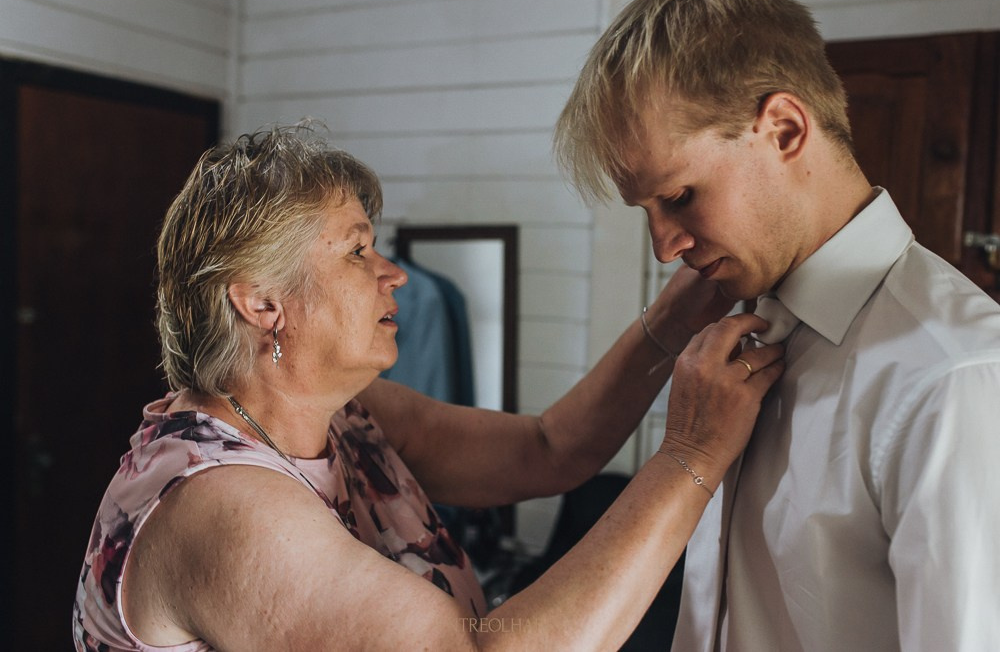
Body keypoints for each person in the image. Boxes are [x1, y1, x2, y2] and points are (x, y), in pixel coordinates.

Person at [72, 125, 784, 651]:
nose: (394, 273)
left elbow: (549, 448)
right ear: (261, 302)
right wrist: (690, 452)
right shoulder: (221, 508)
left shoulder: (348, 415)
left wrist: (682, 306)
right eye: (357, 250)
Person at [554, 0, 1000, 650]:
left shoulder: (952, 376)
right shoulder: (740, 330)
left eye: (679, 196)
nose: (663, 247)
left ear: (786, 129)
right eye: (645, 211)